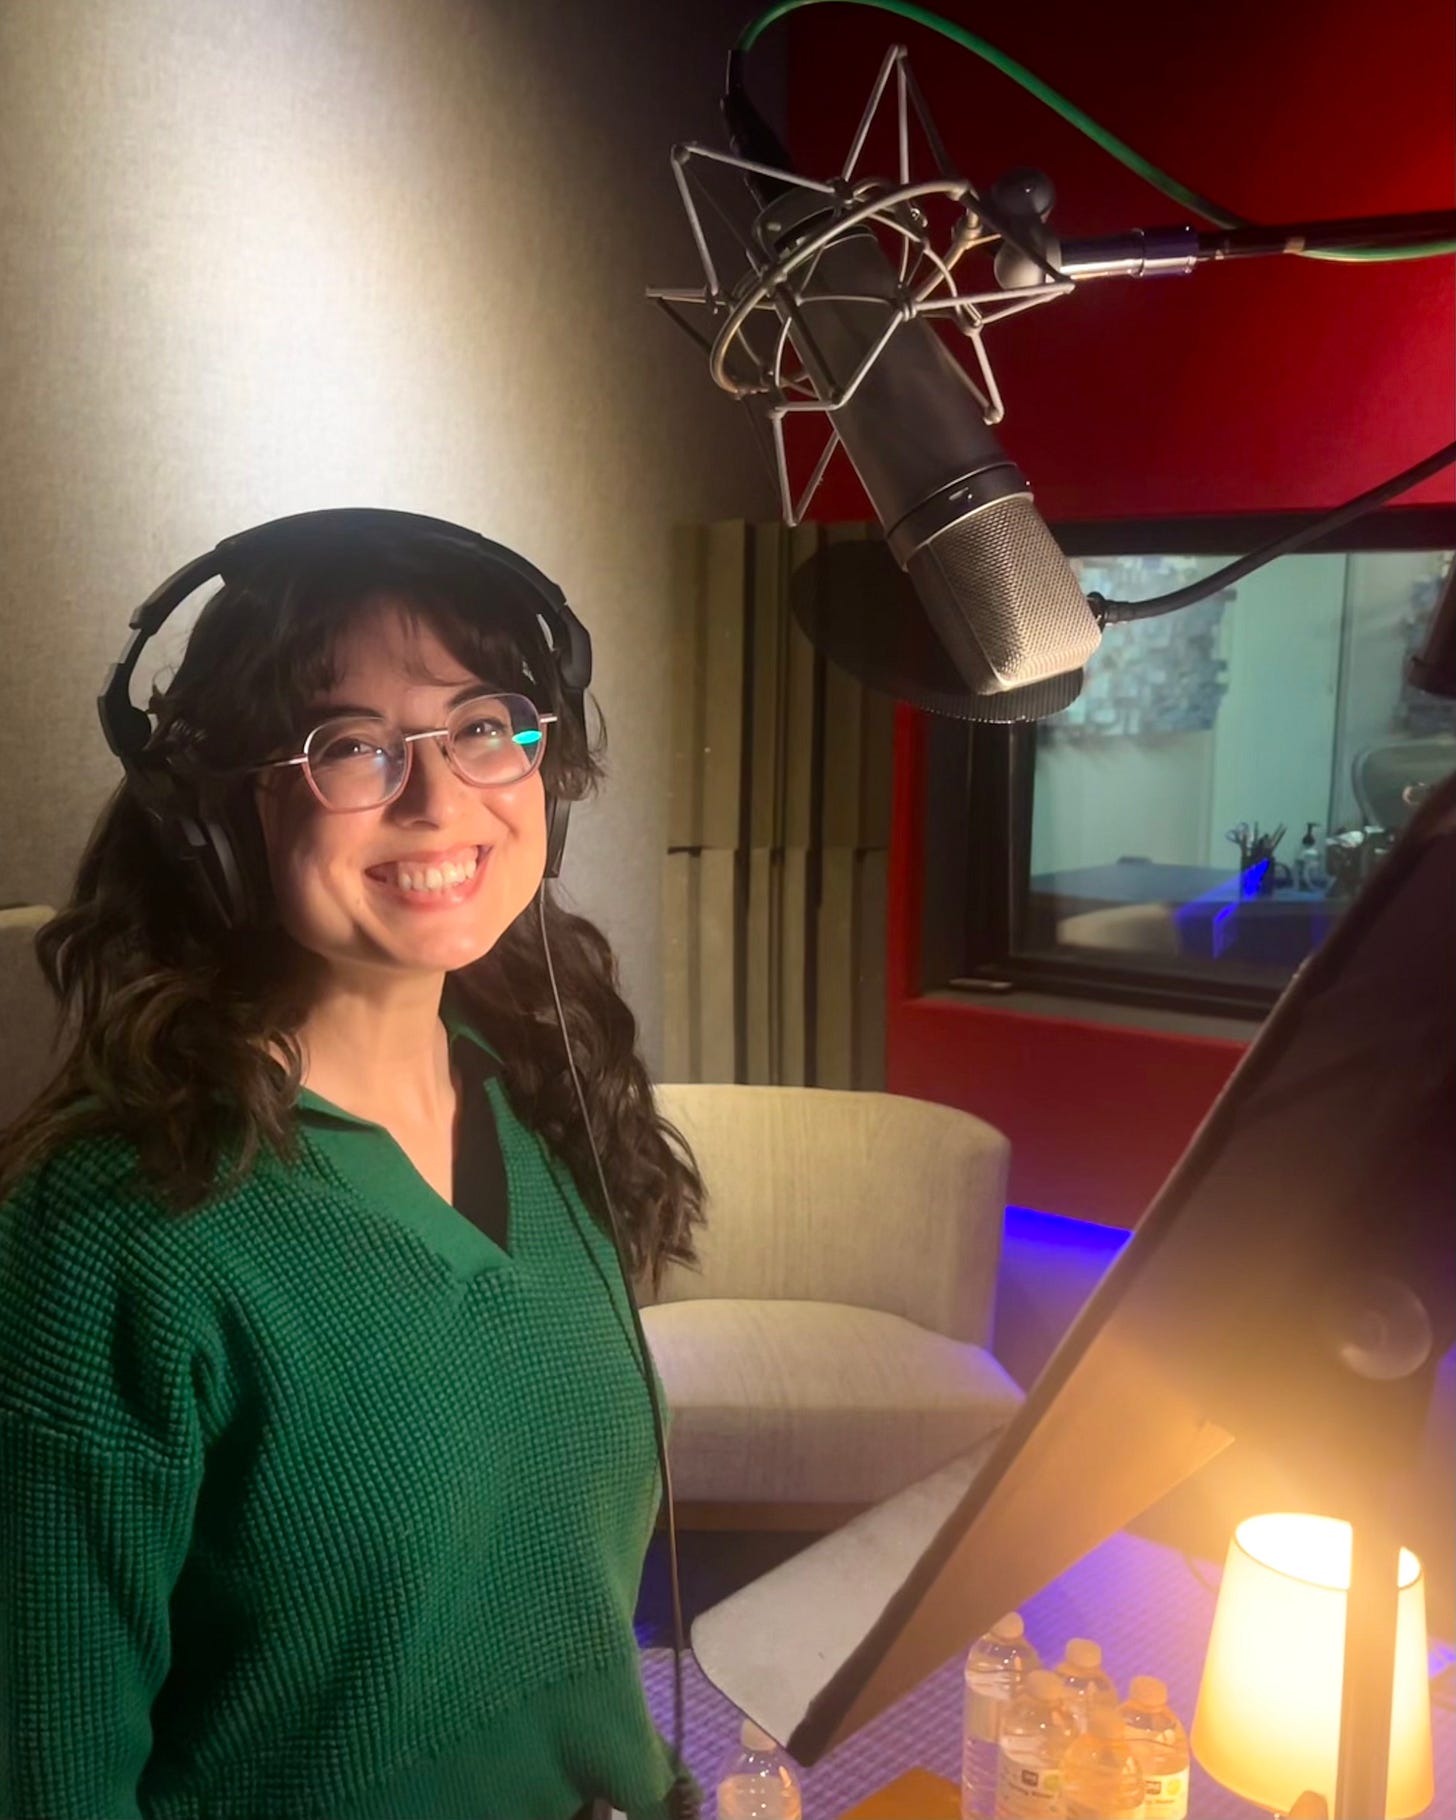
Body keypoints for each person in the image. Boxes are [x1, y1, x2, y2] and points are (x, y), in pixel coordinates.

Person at [0, 517, 704, 1820]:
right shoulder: (106, 1228)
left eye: (481, 725)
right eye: (350, 746)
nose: (438, 800)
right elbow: (47, 1778)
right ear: (222, 816)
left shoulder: (543, 1107)